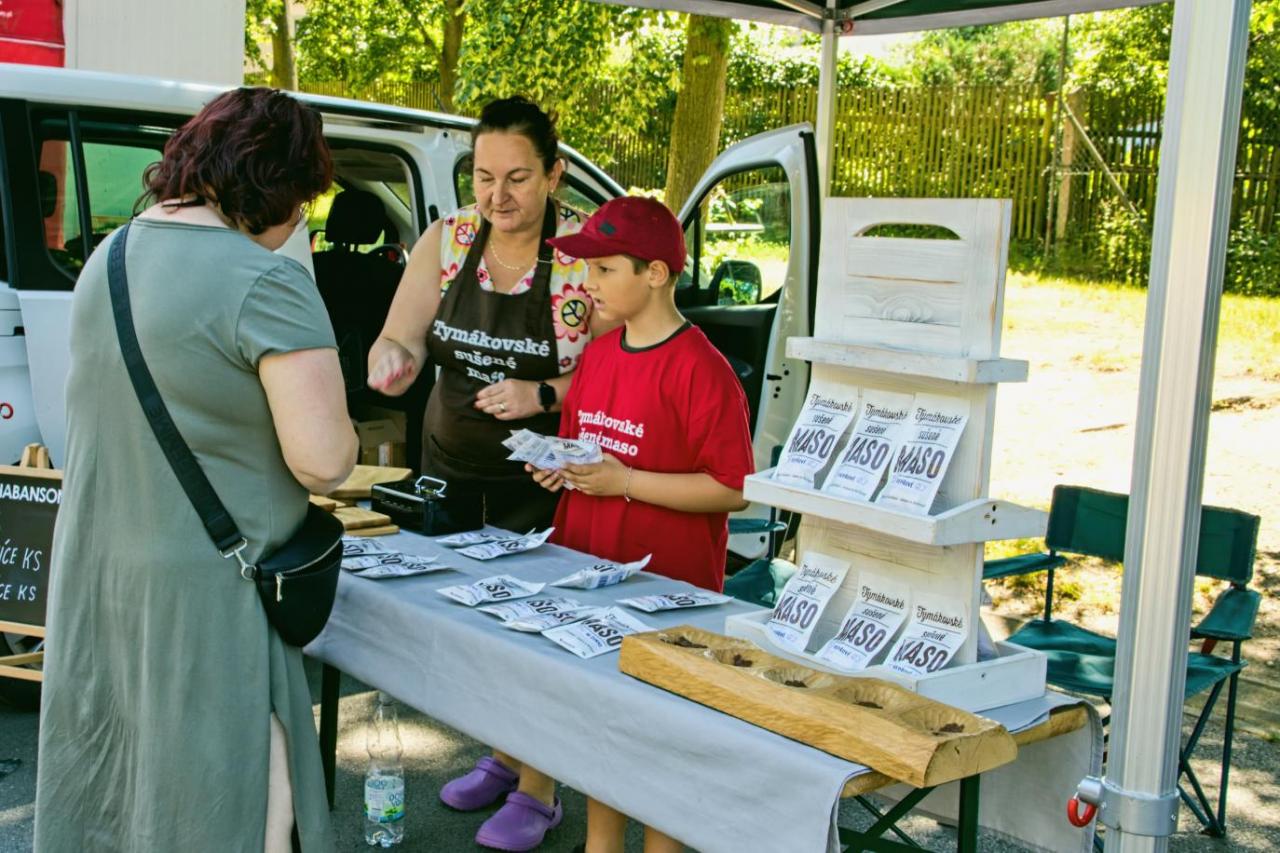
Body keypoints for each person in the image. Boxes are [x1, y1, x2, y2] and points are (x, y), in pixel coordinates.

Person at [34, 88, 355, 853]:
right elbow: (325, 460)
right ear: (278, 186)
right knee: (230, 810)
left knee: (121, 799)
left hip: (100, 576)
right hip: (212, 598)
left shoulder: (107, 257)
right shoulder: (267, 281)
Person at [540, 196, 756, 853]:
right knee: (599, 728)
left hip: (668, 595)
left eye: (604, 269)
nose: (588, 283)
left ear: (656, 274)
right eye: (587, 268)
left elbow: (733, 488)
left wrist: (626, 482)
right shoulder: (601, 354)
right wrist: (558, 466)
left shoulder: (702, 369)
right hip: (587, 575)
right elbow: (586, 445)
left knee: (664, 739)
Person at [367, 96, 601, 533]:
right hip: (447, 473)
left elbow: (621, 379)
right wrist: (393, 360)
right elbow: (397, 338)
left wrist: (542, 395)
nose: (498, 196)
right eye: (484, 177)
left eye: (517, 179)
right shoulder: (447, 238)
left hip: (549, 485)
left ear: (553, 174)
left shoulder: (589, 252)